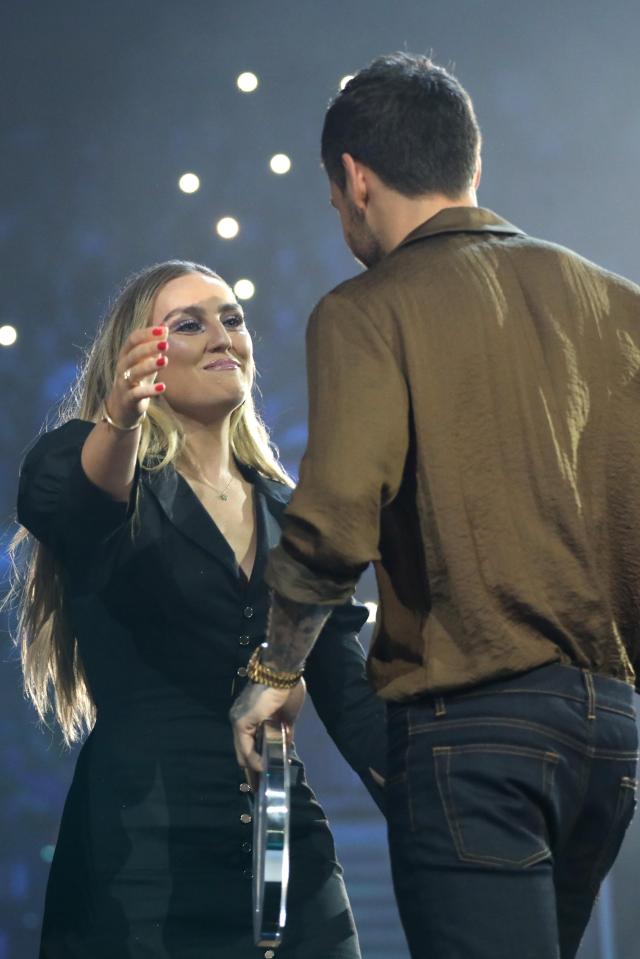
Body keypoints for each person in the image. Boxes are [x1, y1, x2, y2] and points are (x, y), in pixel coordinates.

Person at [230, 52, 640, 959]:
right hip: (610, 735)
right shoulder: (619, 306)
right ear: (472, 168)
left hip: (473, 731)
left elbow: (335, 517)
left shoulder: (367, 309)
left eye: (336, 201)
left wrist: (275, 671)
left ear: (355, 180)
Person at [12, 259, 387, 959]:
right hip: (142, 853)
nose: (222, 334)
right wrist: (121, 421)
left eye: (232, 318)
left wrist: (447, 803)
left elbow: (350, 696)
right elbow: (83, 512)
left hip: (285, 848)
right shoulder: (86, 460)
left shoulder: (293, 514)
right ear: (138, 352)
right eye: (189, 323)